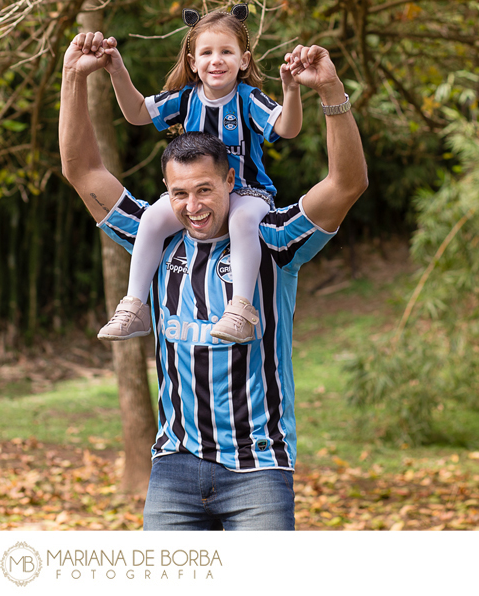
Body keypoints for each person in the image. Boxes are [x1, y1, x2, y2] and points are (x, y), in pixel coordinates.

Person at [60, 32, 366, 530]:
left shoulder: (274, 238)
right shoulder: (154, 239)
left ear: (229, 181)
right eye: (180, 194)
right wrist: (74, 77)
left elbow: (346, 184)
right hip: (174, 468)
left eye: (205, 189)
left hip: (259, 468)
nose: (193, 206)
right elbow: (81, 169)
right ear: (166, 193)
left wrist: (331, 94)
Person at [96, 4, 303, 344]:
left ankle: (241, 310)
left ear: (244, 60)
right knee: (150, 219)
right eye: (206, 52)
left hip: (247, 193)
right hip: (197, 194)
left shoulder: (249, 99)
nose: (216, 60)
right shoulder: (187, 99)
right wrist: (116, 69)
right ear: (193, 62)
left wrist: (291, 90)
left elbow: (287, 128)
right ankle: (134, 306)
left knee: (240, 223)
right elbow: (135, 113)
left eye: (226, 51)